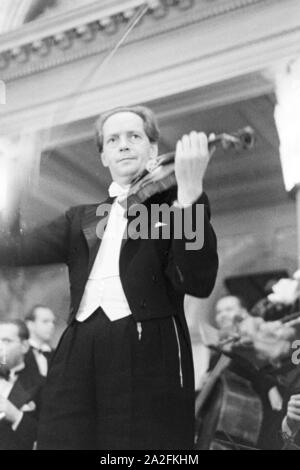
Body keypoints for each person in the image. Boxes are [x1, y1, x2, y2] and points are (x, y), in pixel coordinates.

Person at [0, 105, 218, 449]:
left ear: (153, 150)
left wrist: (190, 195)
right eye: (113, 139)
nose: (124, 144)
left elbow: (198, 280)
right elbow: (9, 251)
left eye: (134, 136)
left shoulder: (173, 208)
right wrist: (11, 183)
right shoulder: (82, 218)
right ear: (103, 157)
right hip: (76, 348)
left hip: (146, 347)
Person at [0, 319, 44, 450]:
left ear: (24, 346)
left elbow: (50, 437)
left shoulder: (43, 385)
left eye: (6, 341)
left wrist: (16, 416)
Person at [25, 305, 55, 377]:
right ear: (30, 324)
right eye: (45, 321)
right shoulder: (19, 352)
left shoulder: (56, 354)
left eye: (53, 322)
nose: (51, 326)